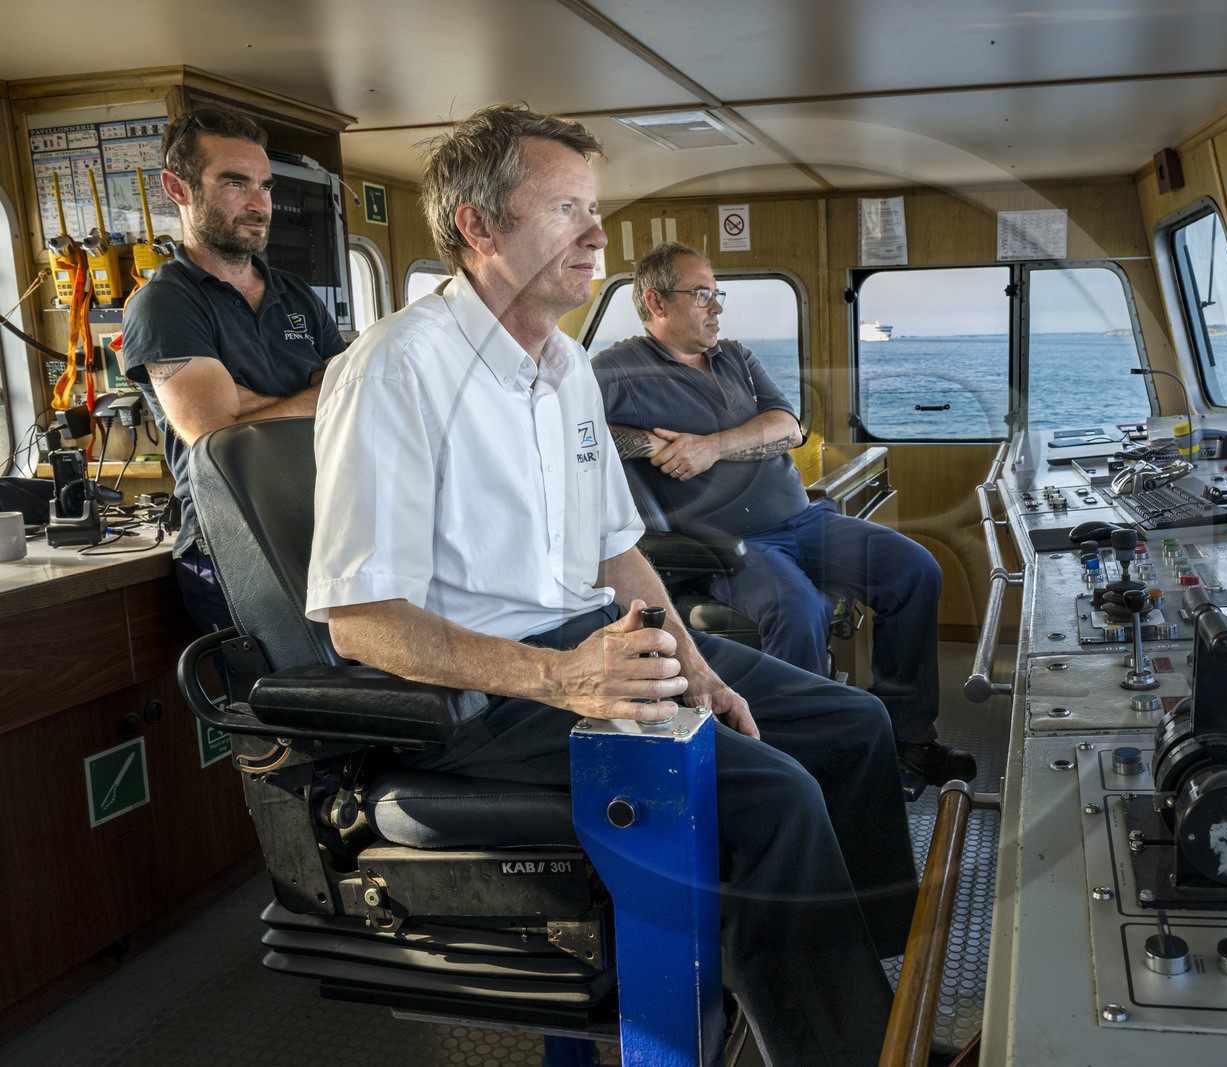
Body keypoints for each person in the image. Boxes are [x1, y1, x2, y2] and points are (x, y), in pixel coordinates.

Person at [303, 104, 917, 1067]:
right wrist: (564, 681)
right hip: (486, 693)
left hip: (599, 639)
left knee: (852, 729)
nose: (597, 234)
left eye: (594, 208)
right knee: (778, 798)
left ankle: (886, 998)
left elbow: (618, 553)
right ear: (478, 227)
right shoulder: (396, 369)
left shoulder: (565, 371)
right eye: (565, 209)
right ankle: (849, 1052)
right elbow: (359, 623)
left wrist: (695, 663)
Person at [592, 242, 976, 786]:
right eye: (702, 294)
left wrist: (712, 446)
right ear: (656, 301)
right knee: (797, 608)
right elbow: (573, 430)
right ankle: (804, 770)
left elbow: (788, 426)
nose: (717, 307)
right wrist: (643, 443)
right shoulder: (616, 367)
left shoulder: (736, 357)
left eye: (716, 293)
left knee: (916, 570)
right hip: (729, 545)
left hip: (804, 519)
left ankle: (906, 735)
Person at [121, 108, 344, 634]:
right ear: (178, 188)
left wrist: (250, 402)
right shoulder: (164, 304)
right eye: (234, 183)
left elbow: (357, 396)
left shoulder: (297, 296)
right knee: (272, 709)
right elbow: (218, 434)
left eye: (264, 186)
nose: (258, 203)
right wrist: (315, 396)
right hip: (232, 544)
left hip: (320, 526)